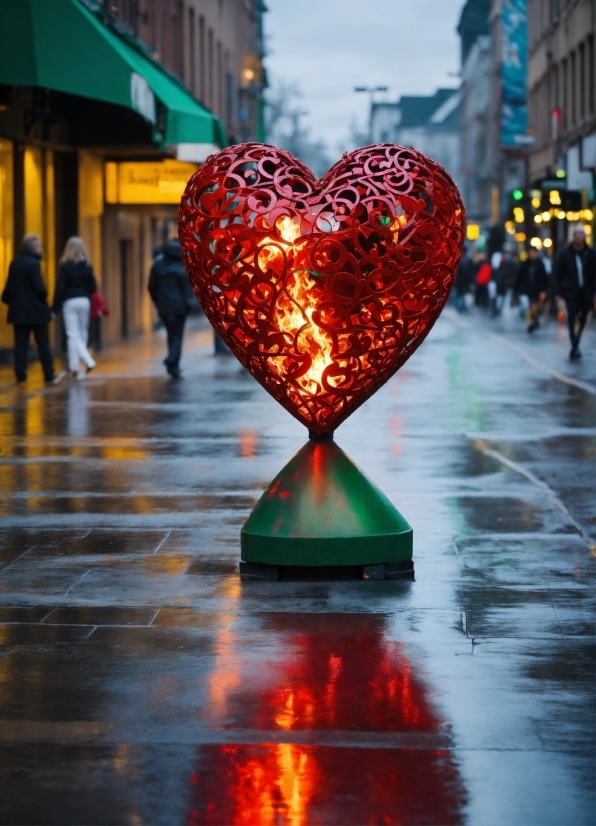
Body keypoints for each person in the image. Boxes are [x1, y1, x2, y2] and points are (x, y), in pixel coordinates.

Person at [1, 234, 62, 385]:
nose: (41, 249)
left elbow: (8, 289)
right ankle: (48, 374)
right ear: (32, 247)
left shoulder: (15, 263)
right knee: (43, 343)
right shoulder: (34, 264)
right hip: (36, 312)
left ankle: (20, 376)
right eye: (39, 246)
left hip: (18, 312)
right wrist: (44, 300)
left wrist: (13, 302)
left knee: (20, 345)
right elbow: (39, 289)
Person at [53, 237, 97, 379]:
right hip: (84, 301)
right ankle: (77, 368)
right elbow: (93, 287)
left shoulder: (65, 266)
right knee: (82, 333)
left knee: (72, 335)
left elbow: (60, 288)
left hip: (69, 302)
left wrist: (54, 307)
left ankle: (86, 362)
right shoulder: (87, 265)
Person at [148, 238, 190, 378]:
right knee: (177, 337)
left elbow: (151, 287)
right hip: (179, 308)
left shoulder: (158, 266)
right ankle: (172, 361)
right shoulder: (181, 267)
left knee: (171, 336)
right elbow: (187, 290)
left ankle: (174, 367)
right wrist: (189, 305)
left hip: (165, 307)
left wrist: (158, 302)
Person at [555, 228, 596, 360]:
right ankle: (574, 345)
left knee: (583, 317)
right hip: (571, 291)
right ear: (573, 237)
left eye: (581, 235)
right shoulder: (565, 254)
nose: (578, 238)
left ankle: (577, 340)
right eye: (576, 235)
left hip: (586, 292)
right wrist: (559, 292)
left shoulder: (590, 254)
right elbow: (558, 274)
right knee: (572, 316)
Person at [515, 247, 548, 333]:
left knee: (536, 308)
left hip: (537, 290)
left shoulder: (540, 264)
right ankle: (531, 322)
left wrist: (545, 289)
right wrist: (518, 288)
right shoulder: (525, 264)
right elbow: (519, 277)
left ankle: (534, 322)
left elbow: (544, 278)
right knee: (527, 307)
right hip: (526, 289)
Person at [454, 246, 474, 312]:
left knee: (460, 293)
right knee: (461, 293)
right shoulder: (468, 260)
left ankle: (460, 306)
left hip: (460, 281)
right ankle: (461, 306)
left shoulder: (460, 259)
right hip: (464, 281)